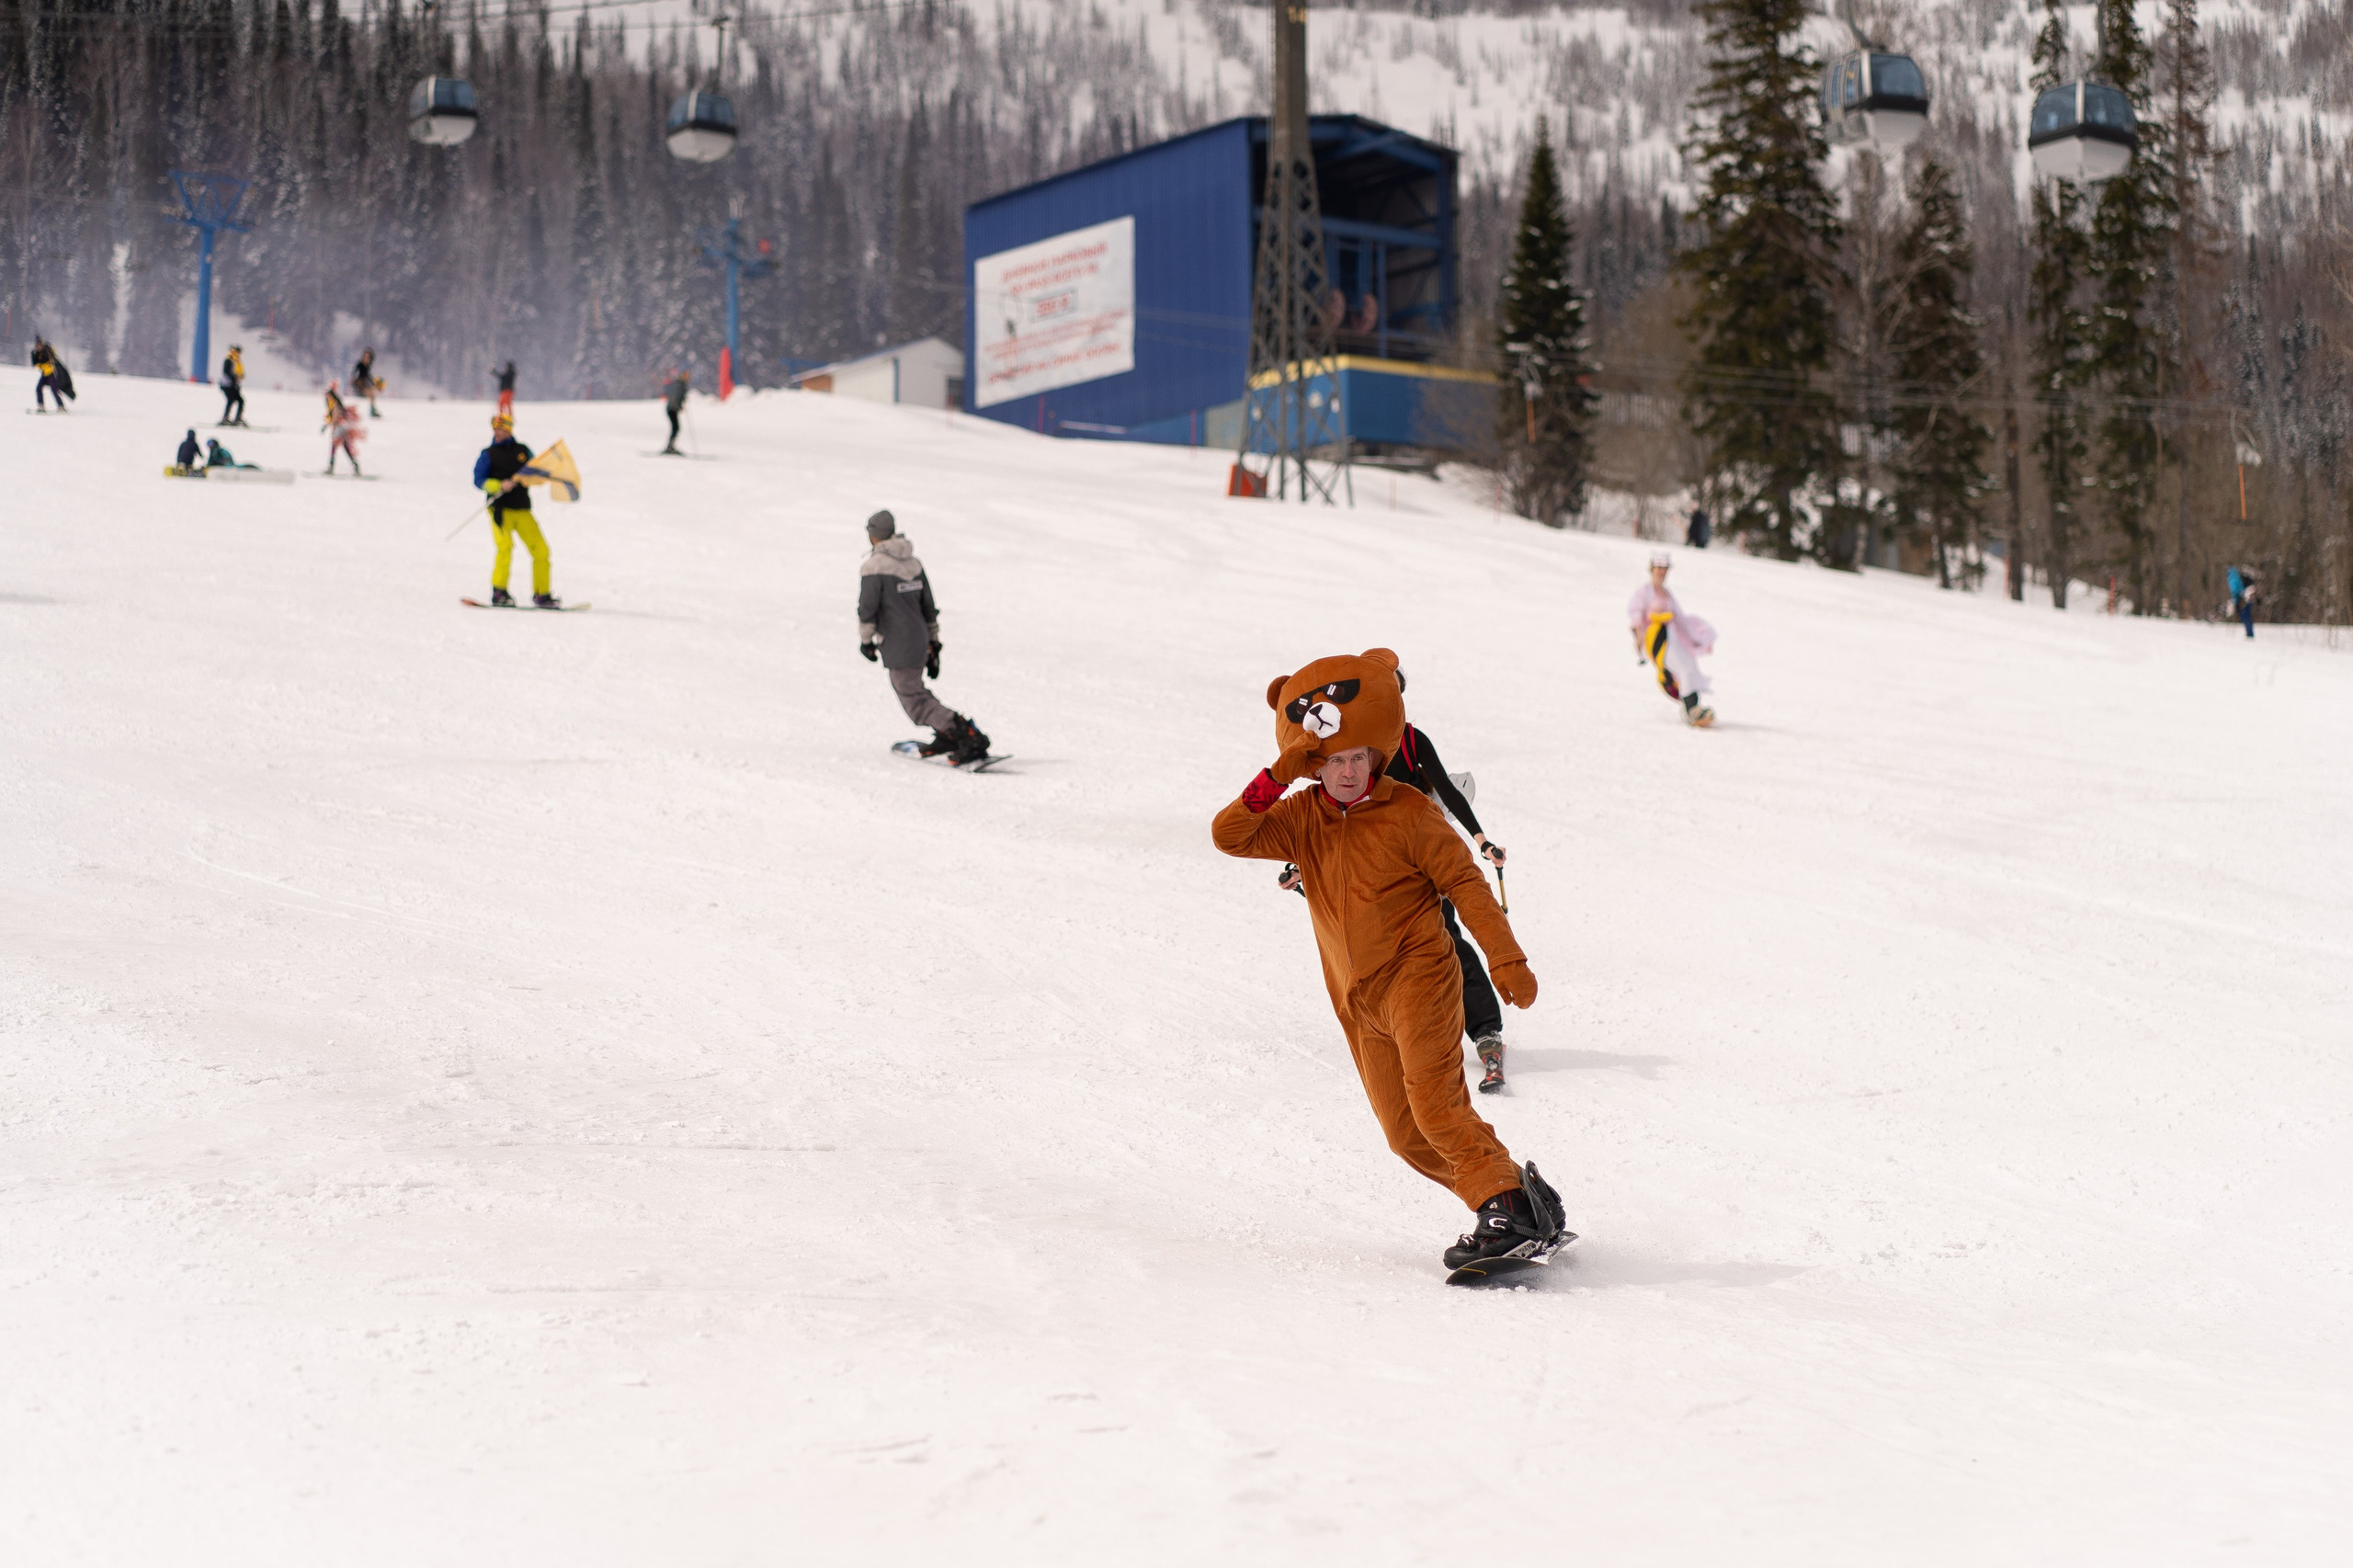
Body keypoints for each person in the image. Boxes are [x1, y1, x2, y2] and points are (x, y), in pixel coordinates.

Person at [1212, 647, 1568, 1275]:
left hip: (1420, 980)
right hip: (1356, 999)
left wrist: (1505, 958)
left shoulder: (1410, 813)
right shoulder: (1300, 818)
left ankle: (1502, 1208)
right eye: (1334, 760)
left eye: (1359, 758)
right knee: (1406, 1135)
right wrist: (1280, 771)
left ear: (1377, 752)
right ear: (1314, 761)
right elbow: (1229, 834)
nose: (1349, 772)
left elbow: (1466, 885)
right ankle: (1514, 1196)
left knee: (1437, 1110)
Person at [858, 510, 988, 763]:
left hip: (897, 644)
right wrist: (933, 642)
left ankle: (965, 734)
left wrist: (866, 641)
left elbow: (867, 610)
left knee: (913, 700)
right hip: (919, 639)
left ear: (874, 536)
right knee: (916, 691)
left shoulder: (874, 567)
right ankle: (948, 733)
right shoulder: (913, 563)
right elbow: (928, 606)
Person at [472, 411, 557, 608]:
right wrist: (499, 485)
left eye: (502, 428)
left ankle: (542, 594)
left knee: (541, 551)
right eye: (495, 428)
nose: (498, 432)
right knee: (505, 547)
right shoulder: (488, 454)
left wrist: (533, 479)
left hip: (522, 508)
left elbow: (536, 471)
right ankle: (499, 592)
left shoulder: (523, 451)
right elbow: (479, 480)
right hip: (499, 509)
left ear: (509, 429)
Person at [1629, 551, 1716, 727]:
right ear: (1652, 569)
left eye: (1664, 568)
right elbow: (1636, 614)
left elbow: (1680, 619)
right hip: (1656, 639)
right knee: (1683, 667)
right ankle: (1691, 710)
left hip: (1670, 637)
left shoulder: (1667, 594)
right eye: (1658, 568)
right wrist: (1639, 638)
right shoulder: (1645, 592)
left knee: (1689, 667)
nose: (1662, 572)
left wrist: (1695, 639)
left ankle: (1693, 707)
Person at [323, 381, 364, 475]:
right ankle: (356, 466)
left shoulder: (334, 403)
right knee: (346, 447)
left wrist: (326, 426)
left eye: (327, 395)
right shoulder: (336, 403)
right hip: (343, 427)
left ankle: (331, 468)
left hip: (340, 427)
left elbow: (335, 417)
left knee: (334, 446)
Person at [32, 338, 74, 411]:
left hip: (52, 374)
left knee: (54, 390)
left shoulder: (47, 350)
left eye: (39, 346)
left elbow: (54, 356)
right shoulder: (38, 354)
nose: (38, 347)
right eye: (37, 346)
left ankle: (61, 406)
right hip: (45, 374)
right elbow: (36, 365)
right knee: (38, 388)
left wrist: (49, 349)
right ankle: (41, 405)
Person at [661, 369, 689, 455]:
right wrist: (678, 406)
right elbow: (674, 397)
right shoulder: (679, 385)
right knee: (676, 428)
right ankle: (670, 446)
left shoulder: (680, 385)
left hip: (672, 409)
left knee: (676, 428)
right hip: (672, 409)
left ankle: (671, 446)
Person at [220, 345, 246, 426]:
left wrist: (240, 376)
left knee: (239, 401)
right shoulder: (230, 359)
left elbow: (239, 372)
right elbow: (226, 372)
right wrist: (235, 377)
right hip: (227, 385)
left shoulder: (236, 360)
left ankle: (236, 418)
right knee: (232, 400)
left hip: (233, 385)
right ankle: (226, 418)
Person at [351, 347, 381, 416]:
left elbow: (367, 375)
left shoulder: (368, 365)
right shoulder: (360, 364)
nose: (367, 359)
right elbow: (355, 372)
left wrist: (373, 382)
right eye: (366, 357)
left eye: (368, 357)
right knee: (370, 394)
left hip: (365, 382)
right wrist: (353, 379)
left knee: (372, 395)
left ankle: (372, 409)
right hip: (360, 382)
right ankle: (372, 410)